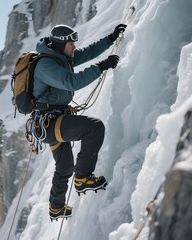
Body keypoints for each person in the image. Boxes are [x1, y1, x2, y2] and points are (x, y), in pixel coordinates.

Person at [32, 23, 126, 221]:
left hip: (52, 122)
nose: (74, 46)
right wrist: (101, 67)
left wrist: (111, 38)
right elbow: (71, 82)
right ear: (60, 44)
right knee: (94, 127)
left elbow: (87, 52)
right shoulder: (46, 65)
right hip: (51, 122)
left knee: (65, 166)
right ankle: (83, 177)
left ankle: (56, 207)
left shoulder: (61, 57)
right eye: (71, 43)